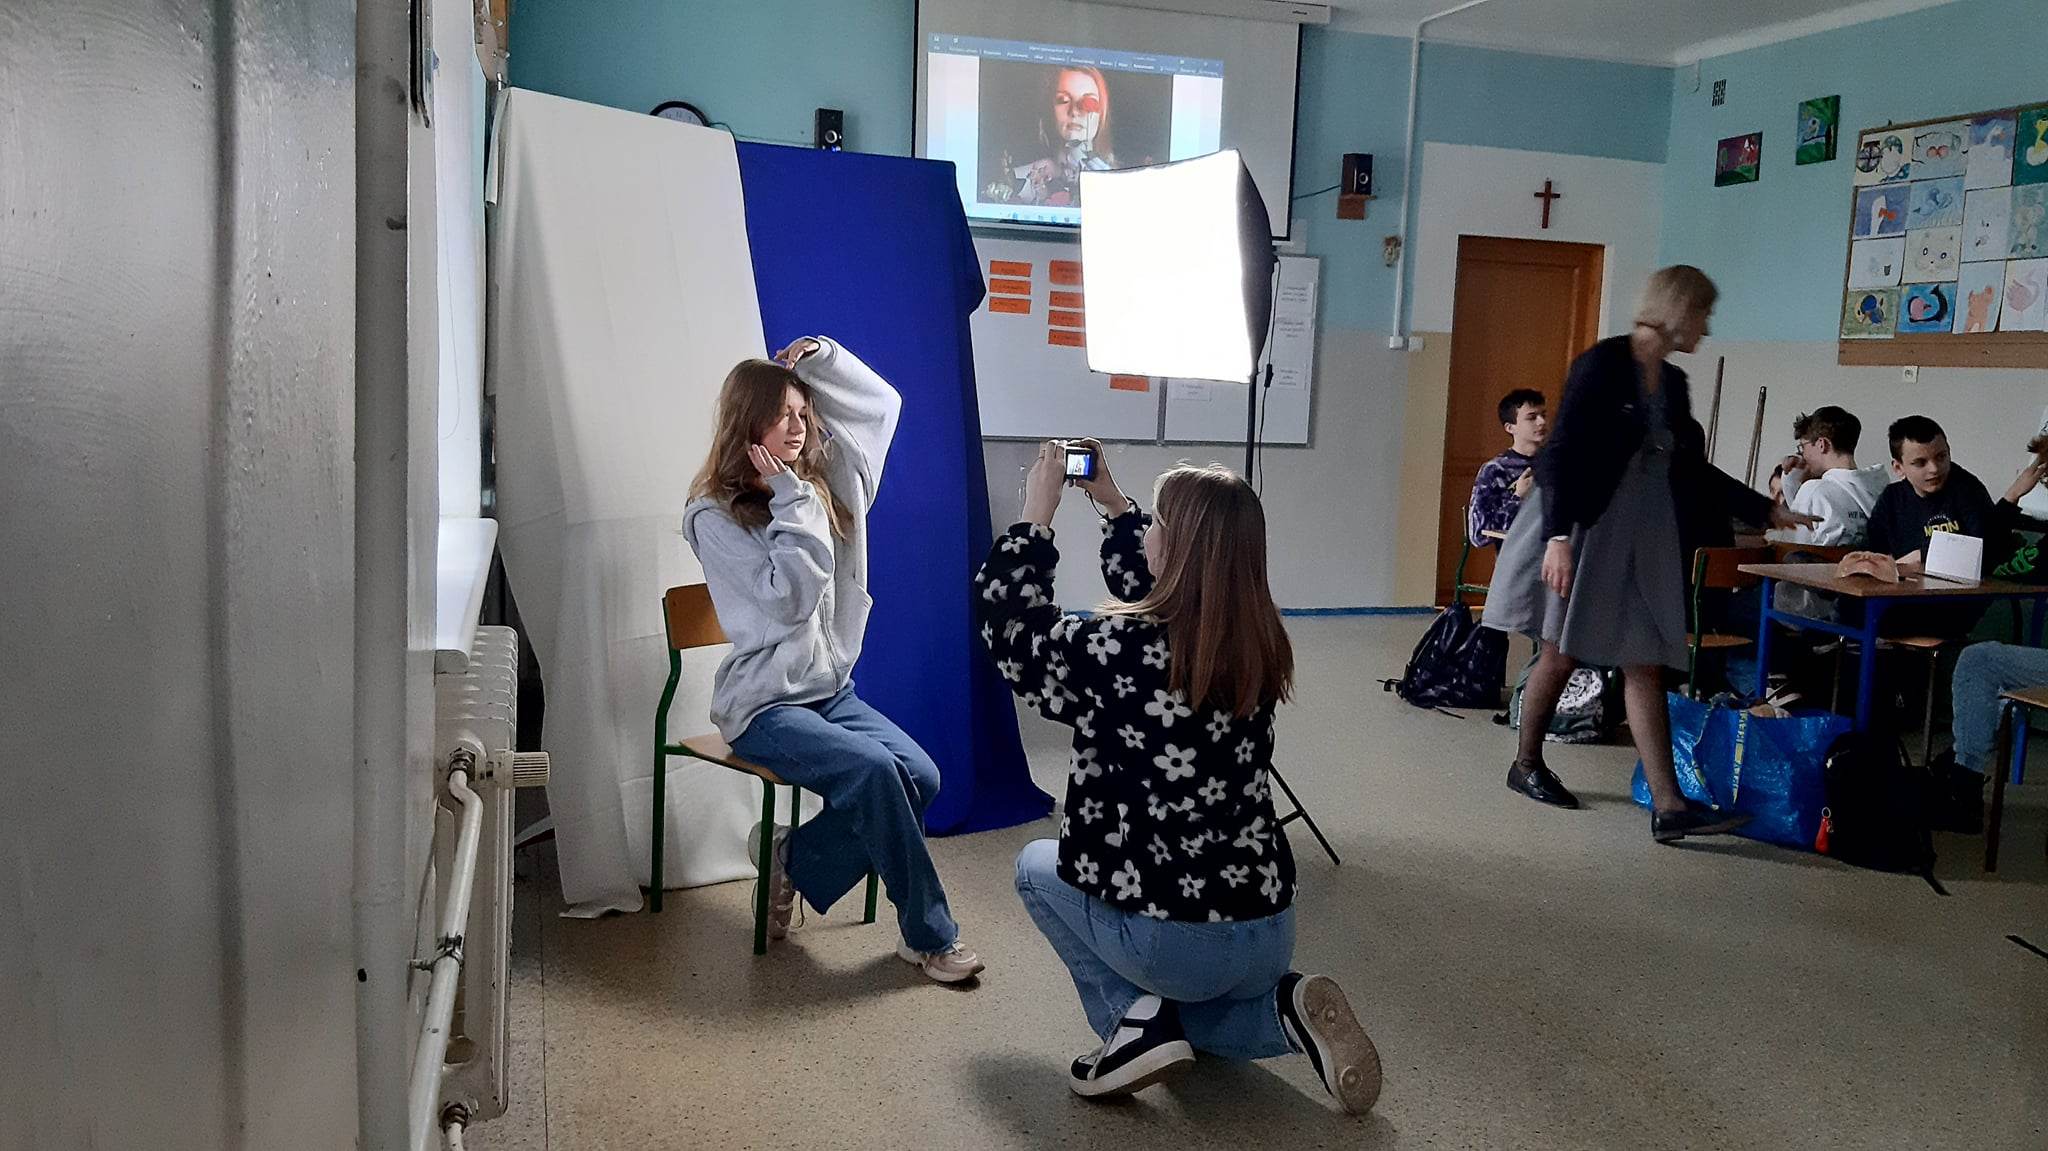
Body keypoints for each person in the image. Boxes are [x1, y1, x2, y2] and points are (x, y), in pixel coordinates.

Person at [973, 441, 1380, 1113]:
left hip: (1176, 936)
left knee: (1033, 866)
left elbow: (1014, 630)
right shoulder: (1255, 642)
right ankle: (1282, 1012)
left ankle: (1132, 1026)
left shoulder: (1116, 651)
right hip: (1266, 925)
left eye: (1158, 524)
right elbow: (1158, 591)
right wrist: (1114, 504)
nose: (1148, 534)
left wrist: (1034, 521)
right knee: (1204, 1019)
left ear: (1180, 550)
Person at [681, 337, 984, 985]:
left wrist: (822, 358)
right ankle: (930, 936)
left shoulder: (826, 484)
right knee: (876, 773)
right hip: (763, 706)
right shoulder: (714, 516)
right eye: (780, 414)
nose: (798, 427)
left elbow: (882, 405)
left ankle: (793, 857)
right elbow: (788, 603)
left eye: (803, 412)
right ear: (746, 422)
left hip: (828, 692)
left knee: (921, 776)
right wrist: (792, 503)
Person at [1482, 266, 1815, 833]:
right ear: (1678, 310)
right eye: (1703, 313)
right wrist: (1557, 538)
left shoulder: (1674, 384)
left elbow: (1691, 468)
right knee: (1561, 651)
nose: (1706, 326)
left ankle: (1669, 806)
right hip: (1583, 524)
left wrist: (1764, 509)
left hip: (1642, 533)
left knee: (1644, 660)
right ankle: (1527, 763)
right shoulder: (1602, 365)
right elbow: (1560, 454)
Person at [1864, 415, 2047, 638]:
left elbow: (1985, 547)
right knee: (1851, 610)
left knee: (1883, 624)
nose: (1934, 469)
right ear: (1898, 467)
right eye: (1920, 463)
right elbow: (1873, 553)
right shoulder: (1891, 498)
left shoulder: (1966, 488)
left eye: (1941, 457)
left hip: (1951, 601)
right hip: (1901, 594)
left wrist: (1922, 555)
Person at [1768, 406, 1891, 547]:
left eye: (1803, 447)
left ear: (1822, 444)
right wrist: (1792, 479)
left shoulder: (1814, 490)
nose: (1803, 455)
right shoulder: (1881, 488)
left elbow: (1795, 545)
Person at [1012, 65, 1116, 207]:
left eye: (1089, 101)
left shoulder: (1121, 183)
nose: (1075, 111)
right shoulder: (1022, 178)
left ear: (1102, 114)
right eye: (1063, 100)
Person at [1468, 388, 1548, 547]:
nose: (1542, 422)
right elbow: (1478, 534)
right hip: (1516, 555)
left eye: (1543, 415)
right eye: (1532, 417)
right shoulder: (1495, 470)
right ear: (1510, 428)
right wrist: (1518, 497)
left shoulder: (1555, 465)